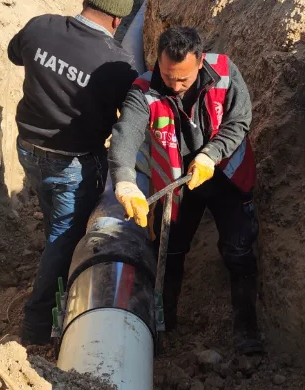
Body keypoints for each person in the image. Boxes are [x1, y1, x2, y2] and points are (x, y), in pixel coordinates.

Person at [108, 26, 263, 355]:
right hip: (177, 182)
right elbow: (126, 135)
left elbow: (239, 120)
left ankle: (246, 329)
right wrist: (124, 182)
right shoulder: (144, 91)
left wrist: (210, 154)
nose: (175, 86)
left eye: (183, 79)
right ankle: (164, 323)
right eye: (168, 77)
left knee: (239, 251)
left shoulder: (224, 73)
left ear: (200, 62)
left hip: (226, 175)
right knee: (169, 251)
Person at [8, 0, 138, 344]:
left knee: (53, 216)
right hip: (72, 163)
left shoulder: (41, 26)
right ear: (117, 19)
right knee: (65, 236)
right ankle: (37, 324)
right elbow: (129, 118)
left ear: (85, 1)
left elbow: (15, 55)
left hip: (28, 148)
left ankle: (55, 258)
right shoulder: (118, 65)